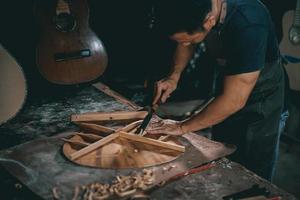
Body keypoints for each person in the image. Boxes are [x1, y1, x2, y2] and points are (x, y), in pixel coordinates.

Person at [147, 0, 285, 181]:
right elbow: (185, 43)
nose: (185, 44)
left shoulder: (250, 23)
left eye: (188, 40)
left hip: (260, 99)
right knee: (222, 154)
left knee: (252, 174)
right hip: (228, 83)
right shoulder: (198, 10)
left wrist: (182, 127)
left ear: (209, 22)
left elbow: (234, 99)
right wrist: (174, 76)